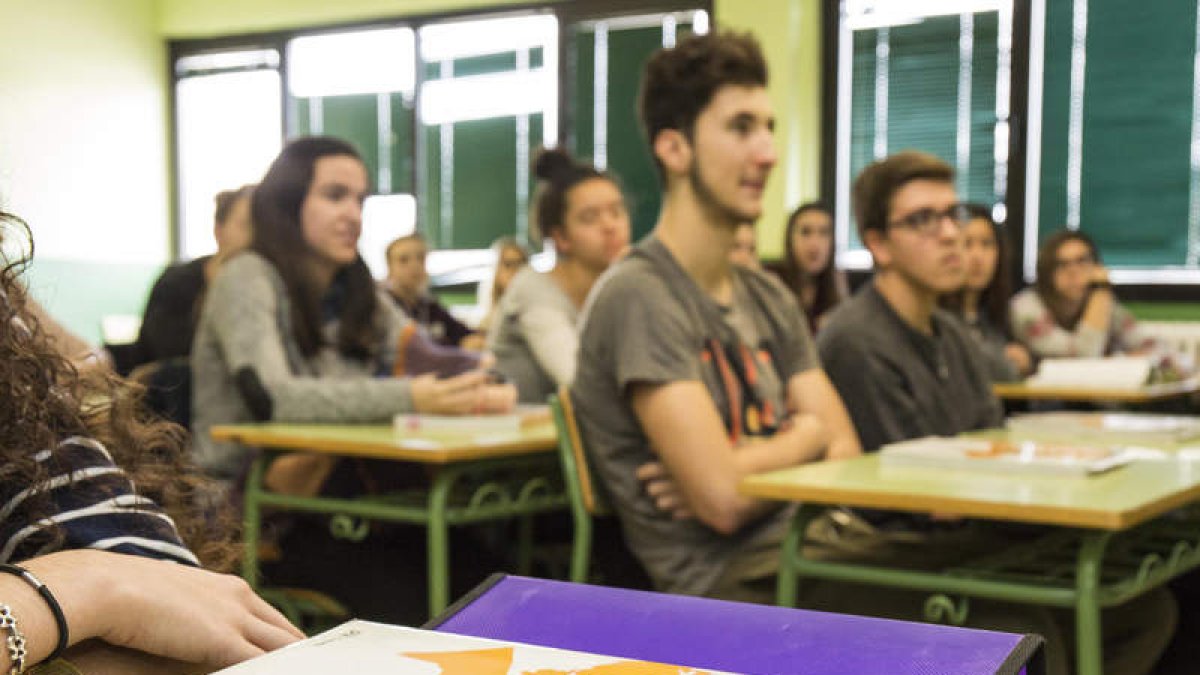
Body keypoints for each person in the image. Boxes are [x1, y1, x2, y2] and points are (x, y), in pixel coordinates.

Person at [818, 150, 1174, 675]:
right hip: (899, 550)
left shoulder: (955, 335)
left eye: (954, 214)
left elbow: (992, 436)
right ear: (878, 244)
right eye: (923, 220)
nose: (950, 234)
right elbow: (914, 496)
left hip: (974, 532)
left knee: (1149, 606)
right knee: (1045, 627)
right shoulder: (855, 339)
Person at [571, 30, 861, 603]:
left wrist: (747, 464)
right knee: (1011, 624)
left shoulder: (767, 296)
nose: (768, 152)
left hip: (819, 548)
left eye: (769, 128)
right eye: (740, 127)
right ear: (674, 149)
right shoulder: (640, 295)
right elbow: (724, 503)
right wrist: (805, 437)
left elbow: (846, 450)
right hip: (735, 591)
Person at [0, 209, 302, 674]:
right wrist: (89, 587)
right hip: (213, 474)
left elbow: (81, 370)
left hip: (144, 547)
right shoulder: (229, 280)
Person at [192, 137, 514, 489]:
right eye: (335, 196)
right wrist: (412, 398)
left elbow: (426, 358)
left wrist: (480, 376)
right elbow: (274, 398)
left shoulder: (357, 287)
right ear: (288, 202)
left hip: (341, 484)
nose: (354, 215)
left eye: (360, 200)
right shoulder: (246, 276)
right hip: (243, 497)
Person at [488, 147, 630, 403]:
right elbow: (578, 380)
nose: (610, 226)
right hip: (517, 437)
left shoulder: (624, 283)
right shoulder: (533, 289)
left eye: (616, 211)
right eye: (590, 218)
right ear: (561, 237)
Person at [129, 185, 254, 371]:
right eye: (245, 225)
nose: (253, 237)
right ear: (218, 231)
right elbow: (167, 352)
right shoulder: (177, 282)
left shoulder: (267, 286)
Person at [1010, 230, 1165, 362]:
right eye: (1062, 264)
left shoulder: (1103, 305)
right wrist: (1100, 289)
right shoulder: (1025, 308)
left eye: (1082, 261)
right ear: (1046, 272)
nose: (1073, 272)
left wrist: (1127, 359)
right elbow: (1083, 357)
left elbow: (1157, 349)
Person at [938, 204, 1032, 381]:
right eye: (967, 244)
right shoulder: (936, 316)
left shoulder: (994, 316)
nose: (977, 257)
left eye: (987, 244)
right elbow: (998, 371)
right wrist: (1007, 362)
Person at [382, 233, 483, 350]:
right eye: (403, 260)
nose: (414, 266)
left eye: (420, 258)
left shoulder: (428, 304)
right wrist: (457, 346)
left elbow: (461, 332)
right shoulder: (384, 306)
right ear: (389, 267)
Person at [775, 202, 847, 332]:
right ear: (789, 239)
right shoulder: (773, 282)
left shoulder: (836, 285)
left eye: (824, 233)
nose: (815, 244)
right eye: (806, 232)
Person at [476, 237, 530, 336]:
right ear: (496, 269)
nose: (515, 271)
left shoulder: (538, 311)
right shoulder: (487, 322)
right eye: (508, 264)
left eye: (520, 264)